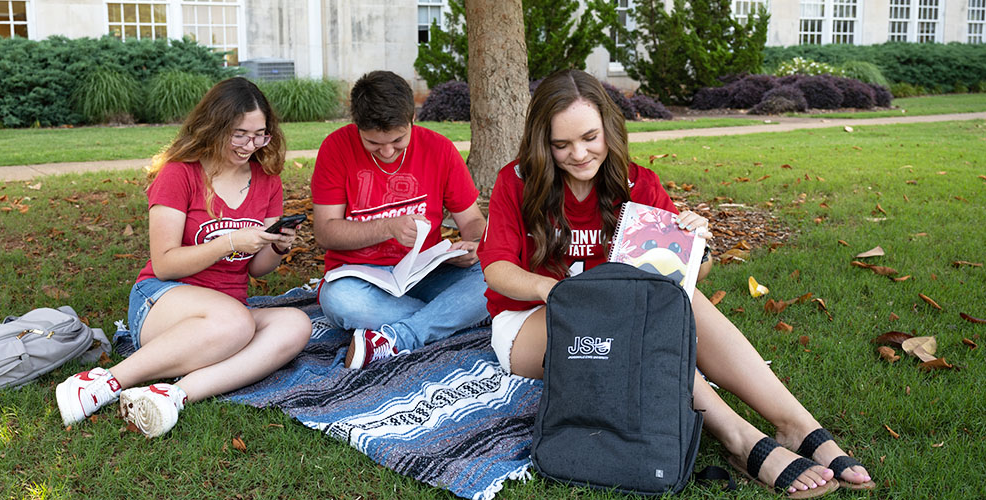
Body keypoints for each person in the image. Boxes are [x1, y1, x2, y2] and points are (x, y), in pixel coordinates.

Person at [478, 70, 875, 497]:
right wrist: (554, 291)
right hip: (536, 322)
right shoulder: (516, 183)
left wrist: (695, 247)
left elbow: (685, 280)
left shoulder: (637, 182)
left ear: (609, 129)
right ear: (543, 142)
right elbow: (496, 269)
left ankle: (797, 425)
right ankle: (739, 439)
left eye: (590, 137)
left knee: (686, 302)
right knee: (634, 324)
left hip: (625, 318)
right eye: (562, 144)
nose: (579, 153)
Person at [55, 77, 313, 438]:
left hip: (226, 313)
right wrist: (229, 242)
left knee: (296, 325)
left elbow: (258, 270)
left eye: (260, 135)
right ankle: (102, 382)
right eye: (239, 134)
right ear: (215, 125)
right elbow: (164, 263)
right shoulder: (180, 173)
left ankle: (171, 394)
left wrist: (278, 247)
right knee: (237, 323)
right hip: (162, 300)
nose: (250, 145)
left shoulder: (267, 179)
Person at [311, 70, 489, 369]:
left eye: (397, 140)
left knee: (493, 273)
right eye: (373, 143)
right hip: (361, 279)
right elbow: (326, 233)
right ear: (357, 127)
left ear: (412, 119)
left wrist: (471, 244)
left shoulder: (440, 149)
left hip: (426, 270)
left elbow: (472, 220)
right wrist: (388, 227)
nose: (387, 151)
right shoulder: (335, 148)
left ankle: (398, 338)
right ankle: (455, 319)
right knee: (339, 301)